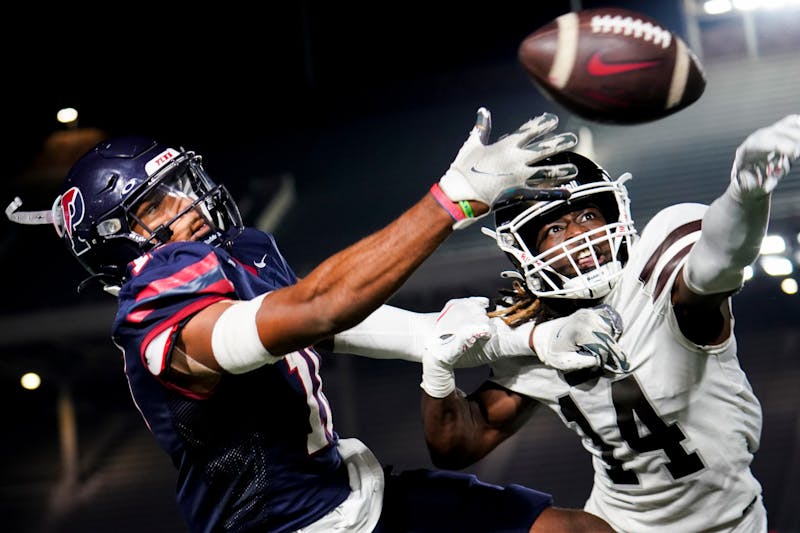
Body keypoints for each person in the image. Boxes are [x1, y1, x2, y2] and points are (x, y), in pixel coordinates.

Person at [6, 108, 614, 532]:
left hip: (354, 496)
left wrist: (537, 335)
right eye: (157, 203)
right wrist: (454, 199)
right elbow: (319, 308)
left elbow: (359, 328)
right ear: (116, 240)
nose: (187, 203)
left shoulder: (236, 257)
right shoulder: (155, 311)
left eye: (180, 185)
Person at [412, 115, 800, 532]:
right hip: (617, 523)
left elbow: (718, 261)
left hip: (731, 522)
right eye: (555, 228)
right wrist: (437, 372)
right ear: (522, 253)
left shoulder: (659, 281)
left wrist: (746, 194)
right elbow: (458, 445)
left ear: (615, 213)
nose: (579, 235)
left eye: (588, 216)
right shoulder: (540, 334)